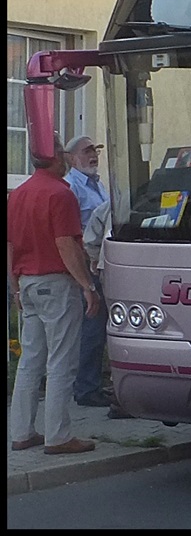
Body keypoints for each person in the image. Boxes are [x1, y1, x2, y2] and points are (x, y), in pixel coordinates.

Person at [7, 135, 100, 455]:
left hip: (28, 283)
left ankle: (21, 431)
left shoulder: (18, 194)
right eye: (61, 152)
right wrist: (87, 285)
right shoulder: (60, 194)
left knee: (30, 361)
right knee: (61, 362)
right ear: (53, 156)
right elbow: (66, 245)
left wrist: (14, 286)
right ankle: (58, 436)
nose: (65, 157)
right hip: (57, 283)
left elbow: (9, 246)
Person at [63, 135, 131, 419]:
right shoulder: (71, 187)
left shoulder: (98, 185)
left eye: (95, 150)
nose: (94, 155)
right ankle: (85, 387)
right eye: (87, 151)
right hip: (86, 266)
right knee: (91, 328)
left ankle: (94, 383)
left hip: (104, 265)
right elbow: (72, 230)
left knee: (102, 327)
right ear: (70, 157)